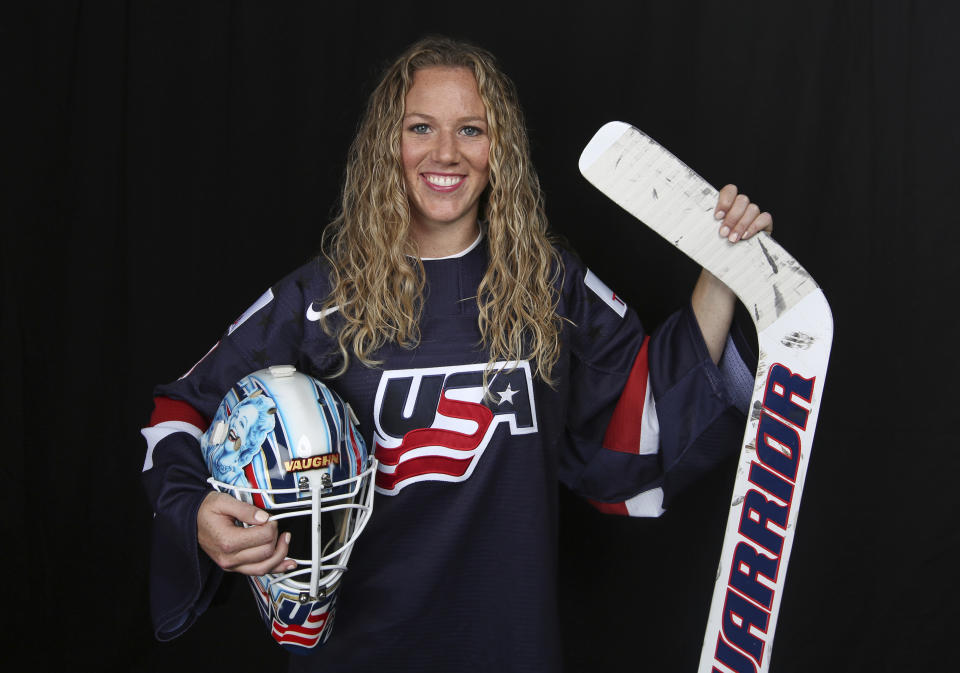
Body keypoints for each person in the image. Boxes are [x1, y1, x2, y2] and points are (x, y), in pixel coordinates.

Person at [141, 36, 773, 672]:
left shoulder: (549, 283)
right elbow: (178, 411)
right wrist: (194, 509)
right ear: (390, 143)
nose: (446, 153)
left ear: (501, 150)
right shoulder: (316, 297)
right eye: (422, 127)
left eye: (471, 129)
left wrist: (720, 268)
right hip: (360, 652)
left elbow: (642, 413)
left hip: (508, 646)